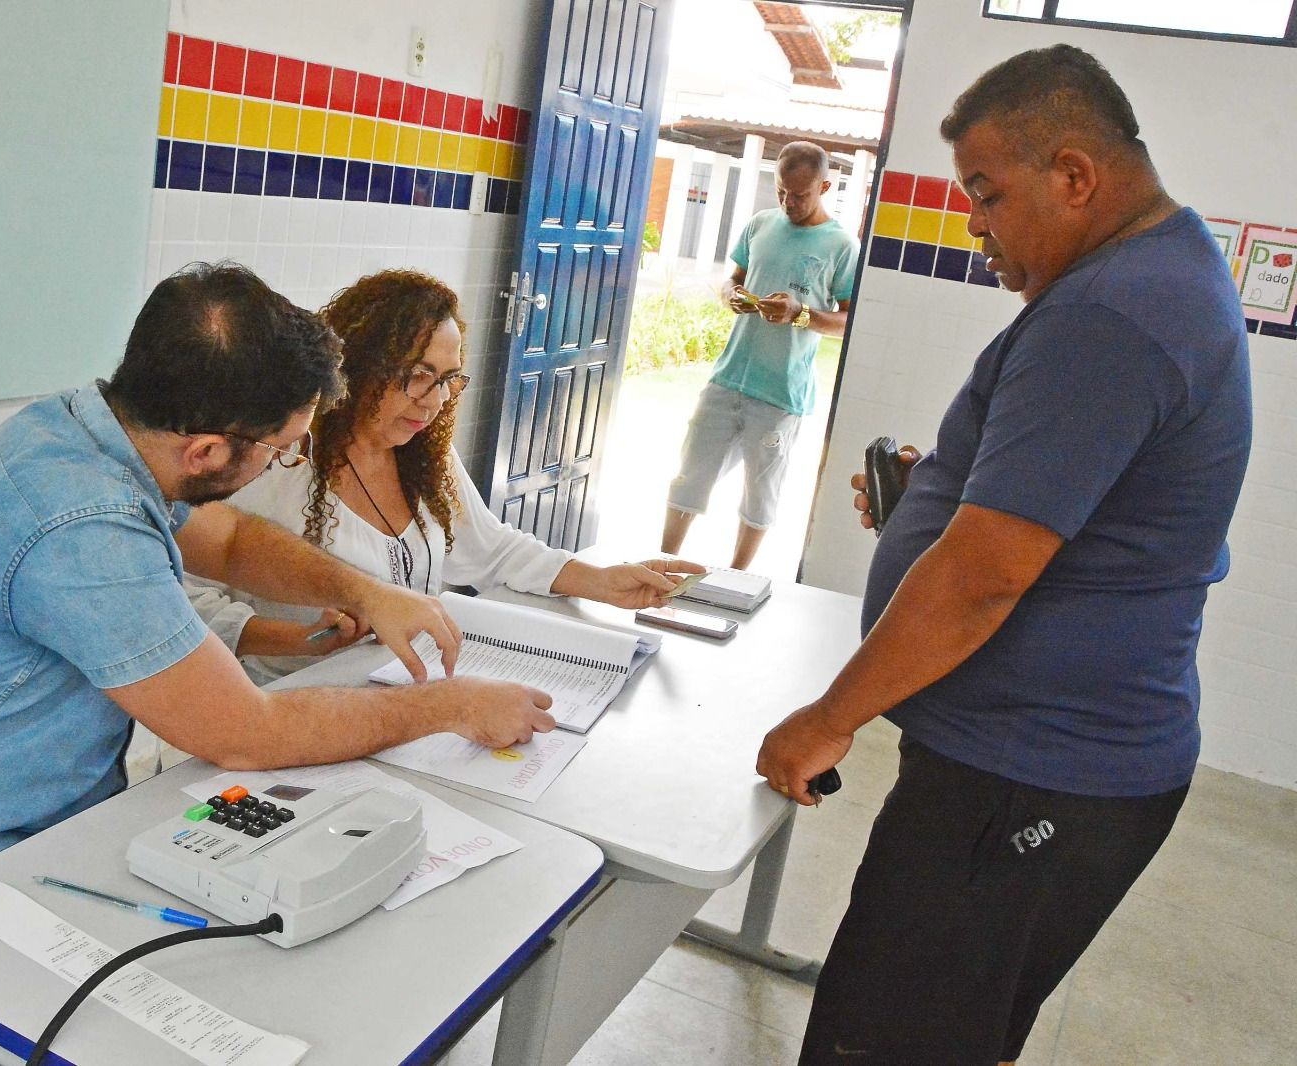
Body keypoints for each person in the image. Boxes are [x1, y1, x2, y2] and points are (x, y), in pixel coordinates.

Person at [0, 262, 557, 1065]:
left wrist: (368, 594)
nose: (283, 465)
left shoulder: (96, 431)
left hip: (40, 836)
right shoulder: (79, 526)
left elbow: (225, 540)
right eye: (282, 452)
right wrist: (451, 704)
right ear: (204, 449)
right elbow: (248, 733)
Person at [755, 46, 1253, 1065]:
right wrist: (926, 506)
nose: (972, 221)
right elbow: (1074, 514)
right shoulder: (1159, 272)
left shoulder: (1109, 313)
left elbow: (984, 574)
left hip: (1031, 781)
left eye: (984, 193)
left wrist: (826, 717)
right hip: (1044, 771)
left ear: (1073, 175)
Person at [186, 268, 703, 683]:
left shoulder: (420, 455)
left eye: (448, 380)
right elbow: (186, 594)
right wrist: (289, 639)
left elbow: (492, 549)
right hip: (288, 699)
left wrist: (602, 581)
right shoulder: (273, 461)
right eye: (417, 376)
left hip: (395, 689)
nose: (434, 402)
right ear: (357, 367)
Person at [661, 140, 858, 571]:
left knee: (759, 492)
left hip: (780, 394)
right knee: (690, 475)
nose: (789, 202)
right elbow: (731, 278)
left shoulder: (841, 245)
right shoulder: (761, 224)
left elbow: (849, 322)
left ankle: (736, 576)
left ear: (824, 186)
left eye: (801, 195)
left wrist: (800, 313)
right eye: (782, 192)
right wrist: (731, 294)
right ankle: (662, 564)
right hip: (728, 378)